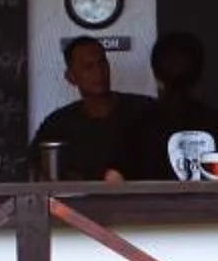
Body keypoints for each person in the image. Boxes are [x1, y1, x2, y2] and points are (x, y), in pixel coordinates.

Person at [30, 36, 150, 181]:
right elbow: (34, 168)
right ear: (71, 77)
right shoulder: (57, 124)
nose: (98, 72)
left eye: (102, 63)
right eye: (88, 67)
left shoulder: (144, 111)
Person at [135, 31, 218, 181]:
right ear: (200, 74)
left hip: (150, 205)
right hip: (211, 204)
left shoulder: (137, 125)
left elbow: (114, 179)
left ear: (156, 76)